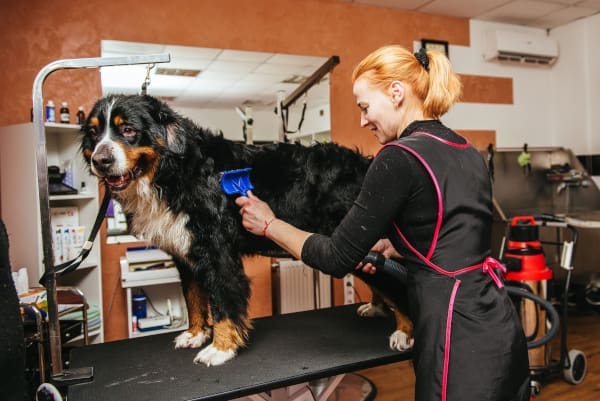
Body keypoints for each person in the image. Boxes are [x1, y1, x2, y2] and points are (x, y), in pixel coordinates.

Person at [236, 45, 530, 401]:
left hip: (456, 331)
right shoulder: (465, 149)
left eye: (364, 106)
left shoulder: (397, 157)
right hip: (496, 320)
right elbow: (451, 233)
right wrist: (399, 244)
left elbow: (335, 257)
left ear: (395, 92)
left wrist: (270, 224)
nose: (362, 120)